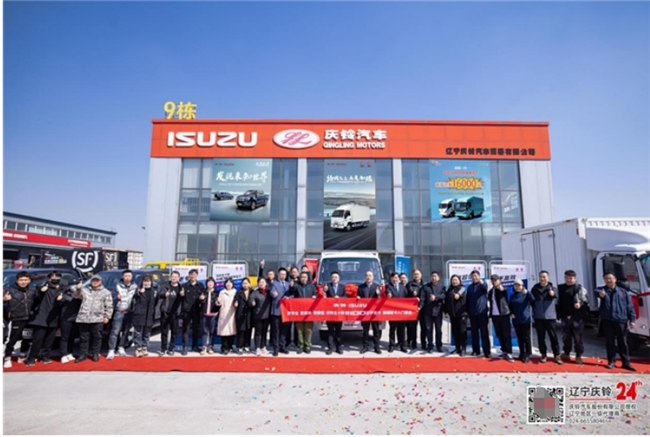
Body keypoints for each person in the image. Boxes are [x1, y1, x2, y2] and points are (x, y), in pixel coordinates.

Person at [596, 272, 636, 371]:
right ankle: (611, 361)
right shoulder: (602, 290)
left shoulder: (623, 292)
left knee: (623, 342)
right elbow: (597, 292)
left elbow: (629, 307)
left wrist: (632, 320)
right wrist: (600, 294)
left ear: (615, 279)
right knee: (610, 342)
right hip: (608, 321)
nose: (608, 280)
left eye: (610, 278)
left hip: (621, 320)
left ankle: (626, 363)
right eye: (606, 278)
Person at [26, 271, 65, 366]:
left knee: (49, 341)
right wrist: (41, 291)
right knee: (37, 340)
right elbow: (35, 296)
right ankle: (31, 358)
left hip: (54, 318)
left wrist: (61, 298)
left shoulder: (62, 289)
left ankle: (45, 357)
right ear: (49, 278)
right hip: (41, 318)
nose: (55, 278)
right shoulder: (44, 287)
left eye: (57, 277)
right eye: (53, 277)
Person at [73, 275, 113, 363]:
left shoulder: (105, 292)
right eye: (93, 280)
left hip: (97, 318)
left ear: (100, 281)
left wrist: (107, 316)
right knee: (83, 338)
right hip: (84, 318)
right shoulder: (85, 290)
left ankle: (95, 354)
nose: (95, 282)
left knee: (97, 337)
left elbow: (109, 305)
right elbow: (76, 296)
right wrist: (78, 289)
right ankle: (83, 354)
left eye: (97, 280)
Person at [3, 271, 37, 368]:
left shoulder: (33, 290)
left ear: (29, 280)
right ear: (17, 280)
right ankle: (7, 357)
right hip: (16, 318)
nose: (23, 282)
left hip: (29, 318)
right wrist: (4, 299)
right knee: (12, 339)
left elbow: (37, 301)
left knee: (27, 338)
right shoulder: (9, 290)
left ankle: (23, 355)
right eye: (21, 280)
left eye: (26, 280)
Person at [557, 270, 589, 365]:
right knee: (566, 336)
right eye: (566, 278)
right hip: (565, 316)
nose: (568, 280)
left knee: (578, 337)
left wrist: (580, 304)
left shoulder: (580, 288)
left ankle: (578, 355)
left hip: (577, 317)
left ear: (575, 279)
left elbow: (586, 301)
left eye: (570, 278)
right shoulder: (560, 288)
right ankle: (566, 353)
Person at [531, 271, 562, 364]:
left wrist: (553, 294)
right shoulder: (535, 289)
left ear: (548, 278)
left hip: (550, 317)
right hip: (538, 317)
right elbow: (532, 301)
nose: (542, 278)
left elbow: (558, 297)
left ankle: (557, 355)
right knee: (541, 337)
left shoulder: (553, 288)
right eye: (541, 277)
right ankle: (543, 354)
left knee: (553, 337)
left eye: (544, 277)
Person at [107, 270, 137, 360]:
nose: (127, 277)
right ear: (122, 277)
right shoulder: (117, 286)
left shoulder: (135, 287)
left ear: (132, 277)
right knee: (115, 331)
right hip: (119, 311)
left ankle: (121, 347)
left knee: (126, 331)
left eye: (129, 276)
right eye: (126, 276)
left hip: (129, 312)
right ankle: (111, 349)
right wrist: (116, 297)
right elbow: (110, 298)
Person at [488, 274, 514, 362]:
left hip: (504, 314)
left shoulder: (503, 289)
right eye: (492, 280)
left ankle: (509, 352)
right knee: (499, 334)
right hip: (495, 316)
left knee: (506, 334)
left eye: (495, 280)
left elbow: (505, 293)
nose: (494, 282)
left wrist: (501, 288)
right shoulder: (491, 291)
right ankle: (504, 350)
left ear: (499, 280)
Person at [420, 271, 447, 353]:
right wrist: (419, 307)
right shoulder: (425, 287)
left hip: (438, 311)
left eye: (435, 276)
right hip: (427, 312)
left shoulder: (442, 286)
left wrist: (436, 297)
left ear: (438, 278)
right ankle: (430, 346)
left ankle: (439, 345)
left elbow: (444, 296)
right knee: (429, 330)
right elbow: (422, 298)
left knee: (438, 330)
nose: (433, 278)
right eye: (432, 276)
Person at [180, 269, 205, 355]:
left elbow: (203, 298)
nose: (193, 276)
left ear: (197, 275)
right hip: (186, 311)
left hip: (197, 310)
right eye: (191, 274)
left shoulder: (200, 285)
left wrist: (202, 299)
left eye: (194, 274)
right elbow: (180, 299)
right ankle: (185, 347)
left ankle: (194, 346)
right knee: (185, 329)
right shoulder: (184, 286)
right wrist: (181, 295)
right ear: (189, 275)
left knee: (196, 329)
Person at [509, 279, 534, 363]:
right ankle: (522, 353)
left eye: (519, 285)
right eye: (516, 285)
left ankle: (528, 354)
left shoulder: (526, 294)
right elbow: (510, 306)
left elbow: (533, 300)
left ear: (522, 286)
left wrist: (528, 293)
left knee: (526, 338)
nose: (517, 287)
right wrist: (511, 313)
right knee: (520, 338)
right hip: (516, 320)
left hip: (525, 319)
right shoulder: (512, 295)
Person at [467, 270, 491, 358]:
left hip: (482, 313)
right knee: (474, 333)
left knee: (484, 332)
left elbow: (485, 288)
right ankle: (475, 350)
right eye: (473, 276)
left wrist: (481, 282)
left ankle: (487, 351)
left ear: (479, 276)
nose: (474, 277)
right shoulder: (470, 287)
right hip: (473, 313)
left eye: (476, 276)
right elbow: (468, 299)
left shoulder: (482, 285)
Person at [157, 271, 182, 356]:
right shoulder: (165, 286)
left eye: (176, 277)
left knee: (174, 332)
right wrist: (164, 294)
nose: (174, 278)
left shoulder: (181, 288)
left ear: (178, 278)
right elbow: (159, 294)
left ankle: (171, 348)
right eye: (172, 276)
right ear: (170, 277)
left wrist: (183, 295)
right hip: (165, 312)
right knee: (164, 331)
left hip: (175, 313)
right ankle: (163, 348)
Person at [131, 275, 157, 358]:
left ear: (151, 282)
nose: (146, 283)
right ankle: (138, 348)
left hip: (149, 315)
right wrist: (139, 293)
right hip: (139, 314)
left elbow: (155, 303)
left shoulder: (154, 291)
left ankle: (144, 347)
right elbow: (133, 299)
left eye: (148, 281)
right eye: (145, 281)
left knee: (147, 333)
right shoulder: (138, 289)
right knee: (138, 333)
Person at [291, 272, 317, 354]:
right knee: (299, 330)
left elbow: (315, 294)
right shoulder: (296, 285)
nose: (303, 278)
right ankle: (300, 346)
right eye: (302, 277)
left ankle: (307, 346)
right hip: (299, 312)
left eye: (305, 277)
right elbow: (291, 292)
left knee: (308, 330)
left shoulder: (311, 286)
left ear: (307, 278)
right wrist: (291, 286)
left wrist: (315, 296)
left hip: (309, 312)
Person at [358, 271, 383, 355]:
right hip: (365, 312)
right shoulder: (361, 287)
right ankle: (365, 346)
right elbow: (359, 296)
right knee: (365, 331)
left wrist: (378, 294)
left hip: (374, 312)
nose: (368, 277)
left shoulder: (377, 286)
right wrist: (358, 297)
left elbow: (380, 298)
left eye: (370, 276)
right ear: (365, 277)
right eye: (367, 276)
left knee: (376, 330)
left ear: (373, 277)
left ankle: (377, 347)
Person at [270, 268, 293, 357]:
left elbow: (292, 294)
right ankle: (276, 348)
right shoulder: (274, 283)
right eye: (281, 274)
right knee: (276, 330)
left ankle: (282, 346)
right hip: (277, 310)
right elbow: (272, 292)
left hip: (286, 311)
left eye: (284, 274)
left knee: (284, 330)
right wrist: (274, 294)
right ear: (278, 274)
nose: (283, 275)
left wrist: (289, 298)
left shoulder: (288, 284)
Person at [444, 275, 468, 356]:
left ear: (459, 281)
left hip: (462, 314)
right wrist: (446, 311)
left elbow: (459, 294)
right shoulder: (449, 290)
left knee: (462, 331)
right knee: (455, 331)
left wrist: (458, 295)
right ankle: (458, 347)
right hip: (453, 315)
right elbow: (446, 301)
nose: (454, 281)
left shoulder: (462, 288)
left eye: (456, 279)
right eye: (453, 280)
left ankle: (463, 348)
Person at [59, 279, 82, 364]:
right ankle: (63, 354)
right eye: (73, 284)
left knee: (72, 337)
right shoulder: (65, 293)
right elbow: (68, 299)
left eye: (76, 284)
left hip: (76, 318)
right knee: (64, 337)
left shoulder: (81, 293)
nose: (75, 286)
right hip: (66, 318)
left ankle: (69, 352)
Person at [324, 271, 346, 355]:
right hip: (330, 312)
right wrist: (324, 291)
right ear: (330, 278)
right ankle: (330, 348)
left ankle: (339, 347)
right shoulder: (327, 286)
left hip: (339, 312)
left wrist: (339, 298)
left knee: (338, 330)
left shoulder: (342, 287)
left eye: (336, 277)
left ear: (339, 278)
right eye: (333, 277)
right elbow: (323, 296)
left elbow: (345, 297)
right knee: (330, 331)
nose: (334, 279)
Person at [249, 277, 272, 356]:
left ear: (266, 283)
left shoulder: (269, 292)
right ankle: (257, 348)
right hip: (257, 316)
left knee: (264, 332)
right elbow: (250, 300)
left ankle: (263, 347)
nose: (261, 283)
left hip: (267, 315)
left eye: (263, 282)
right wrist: (252, 302)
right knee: (258, 332)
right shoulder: (255, 292)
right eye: (260, 282)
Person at [386, 272, 407, 353]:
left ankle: (402, 345)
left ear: (399, 278)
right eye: (393, 278)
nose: (395, 279)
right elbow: (387, 292)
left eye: (396, 277)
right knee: (392, 329)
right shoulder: (388, 286)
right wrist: (388, 294)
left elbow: (407, 296)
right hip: (392, 312)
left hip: (401, 312)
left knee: (402, 330)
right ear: (391, 279)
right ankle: (391, 345)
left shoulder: (403, 287)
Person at [216, 278, 237, 355]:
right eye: (227, 283)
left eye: (230, 283)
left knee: (232, 330)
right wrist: (218, 303)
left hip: (233, 313)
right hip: (224, 313)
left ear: (232, 284)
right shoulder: (222, 292)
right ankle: (224, 347)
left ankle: (230, 346)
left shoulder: (235, 292)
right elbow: (218, 303)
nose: (228, 284)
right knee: (224, 331)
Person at [200, 277, 219, 355]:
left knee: (212, 331)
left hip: (213, 314)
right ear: (206, 284)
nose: (210, 284)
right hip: (204, 314)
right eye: (208, 282)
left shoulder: (217, 293)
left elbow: (219, 304)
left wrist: (219, 303)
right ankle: (204, 346)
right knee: (204, 331)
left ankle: (210, 346)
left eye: (212, 282)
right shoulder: (203, 292)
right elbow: (199, 303)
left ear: (214, 284)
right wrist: (201, 299)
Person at [406, 270, 424, 350]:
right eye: (415, 274)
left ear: (421, 275)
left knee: (423, 328)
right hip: (412, 309)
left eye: (418, 274)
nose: (416, 275)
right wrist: (412, 293)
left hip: (423, 309)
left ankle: (423, 343)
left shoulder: (425, 284)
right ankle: (413, 343)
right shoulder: (409, 284)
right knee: (412, 327)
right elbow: (406, 294)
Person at [234, 278, 253, 354]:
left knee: (248, 330)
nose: (245, 285)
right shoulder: (239, 292)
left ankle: (247, 345)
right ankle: (239, 346)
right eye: (243, 283)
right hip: (240, 313)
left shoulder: (252, 292)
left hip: (249, 314)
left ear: (249, 284)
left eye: (246, 283)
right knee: (241, 331)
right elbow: (235, 300)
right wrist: (235, 303)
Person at [288, 266, 300, 348]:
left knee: (297, 325)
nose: (294, 273)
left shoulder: (300, 281)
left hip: (298, 305)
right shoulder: (288, 280)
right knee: (288, 325)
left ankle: (296, 341)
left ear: (298, 273)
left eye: (295, 272)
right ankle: (288, 341)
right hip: (289, 305)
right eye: (292, 272)